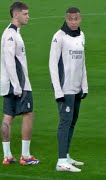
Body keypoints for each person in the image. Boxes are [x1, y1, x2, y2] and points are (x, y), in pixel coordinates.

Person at [0, 1, 40, 165]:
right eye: (25, 13)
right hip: (18, 84)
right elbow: (10, 61)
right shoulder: (11, 35)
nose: (28, 16)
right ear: (16, 14)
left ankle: (7, 156)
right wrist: (17, 85)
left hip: (10, 83)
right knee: (28, 115)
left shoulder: (12, 33)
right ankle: (25, 155)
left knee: (8, 117)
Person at [49, 7, 88, 172]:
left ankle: (66, 155)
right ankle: (61, 161)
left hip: (77, 88)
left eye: (76, 19)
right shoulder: (59, 37)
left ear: (80, 19)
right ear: (66, 19)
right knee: (65, 123)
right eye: (70, 19)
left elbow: (82, 62)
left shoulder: (82, 35)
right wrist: (58, 91)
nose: (73, 22)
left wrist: (84, 85)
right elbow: (52, 64)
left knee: (72, 122)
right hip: (65, 89)